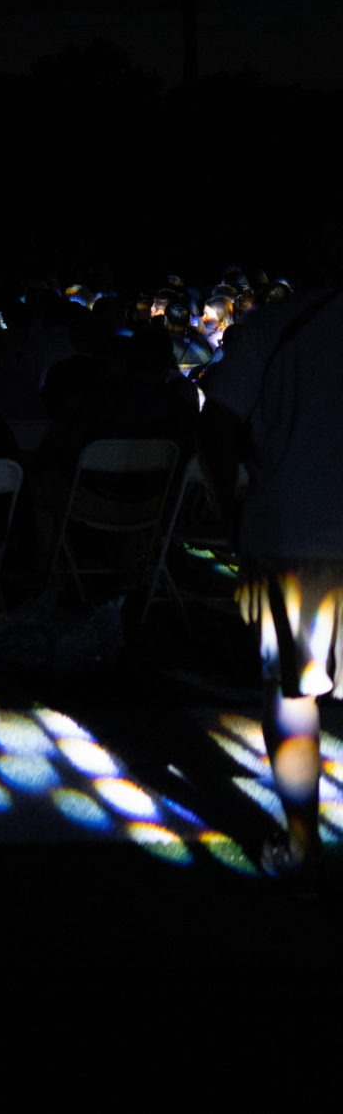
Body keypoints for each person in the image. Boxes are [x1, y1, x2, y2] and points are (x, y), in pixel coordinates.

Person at [198, 283, 339, 877]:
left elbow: (218, 425)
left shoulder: (270, 329)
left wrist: (234, 513)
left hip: (289, 529)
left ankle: (302, 849)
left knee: (292, 692)